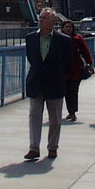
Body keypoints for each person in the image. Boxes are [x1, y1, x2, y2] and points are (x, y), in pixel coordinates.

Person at [24, 8, 72, 160]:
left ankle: (52, 147)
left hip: (55, 83)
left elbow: (68, 63)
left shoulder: (63, 40)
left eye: (45, 18)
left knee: (55, 118)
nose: (41, 20)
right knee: (34, 116)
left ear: (53, 22)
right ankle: (34, 148)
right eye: (41, 18)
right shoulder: (30, 38)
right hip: (36, 82)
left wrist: (58, 75)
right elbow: (32, 58)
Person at [60, 19, 94, 122]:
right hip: (63, 71)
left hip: (76, 70)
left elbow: (85, 51)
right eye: (67, 27)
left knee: (73, 91)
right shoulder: (58, 39)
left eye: (70, 27)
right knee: (66, 92)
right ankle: (70, 111)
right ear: (62, 28)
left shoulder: (77, 38)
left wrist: (90, 63)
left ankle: (72, 112)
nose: (69, 29)